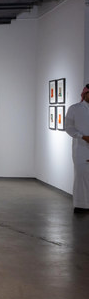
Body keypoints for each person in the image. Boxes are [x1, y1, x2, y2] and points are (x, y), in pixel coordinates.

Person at [65, 84, 89, 213]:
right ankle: (81, 205)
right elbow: (68, 127)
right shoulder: (74, 109)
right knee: (81, 175)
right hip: (81, 148)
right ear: (84, 94)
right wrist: (82, 136)